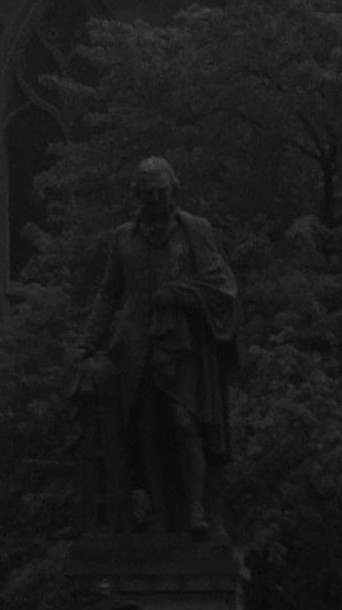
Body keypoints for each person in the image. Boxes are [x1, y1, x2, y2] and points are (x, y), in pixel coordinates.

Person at [76, 151, 239, 533]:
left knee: (185, 422)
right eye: (147, 192)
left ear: (173, 190)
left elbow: (223, 287)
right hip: (135, 343)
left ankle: (197, 510)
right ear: (137, 194)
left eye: (161, 191)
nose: (155, 199)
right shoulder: (123, 237)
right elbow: (108, 294)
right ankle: (161, 512)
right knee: (145, 427)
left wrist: (183, 295)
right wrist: (88, 343)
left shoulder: (195, 229)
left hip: (182, 342)